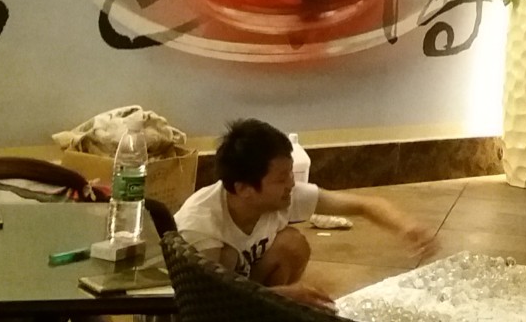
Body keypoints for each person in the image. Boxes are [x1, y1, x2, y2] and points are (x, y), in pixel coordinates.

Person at [174, 119, 437, 309]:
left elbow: (363, 205)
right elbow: (207, 303)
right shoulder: (200, 225)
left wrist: (406, 226)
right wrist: (286, 296)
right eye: (281, 178)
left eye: (290, 173)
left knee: (292, 244)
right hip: (197, 304)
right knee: (228, 260)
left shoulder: (282, 197)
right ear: (244, 189)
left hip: (238, 286)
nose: (291, 183)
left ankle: (268, 311)